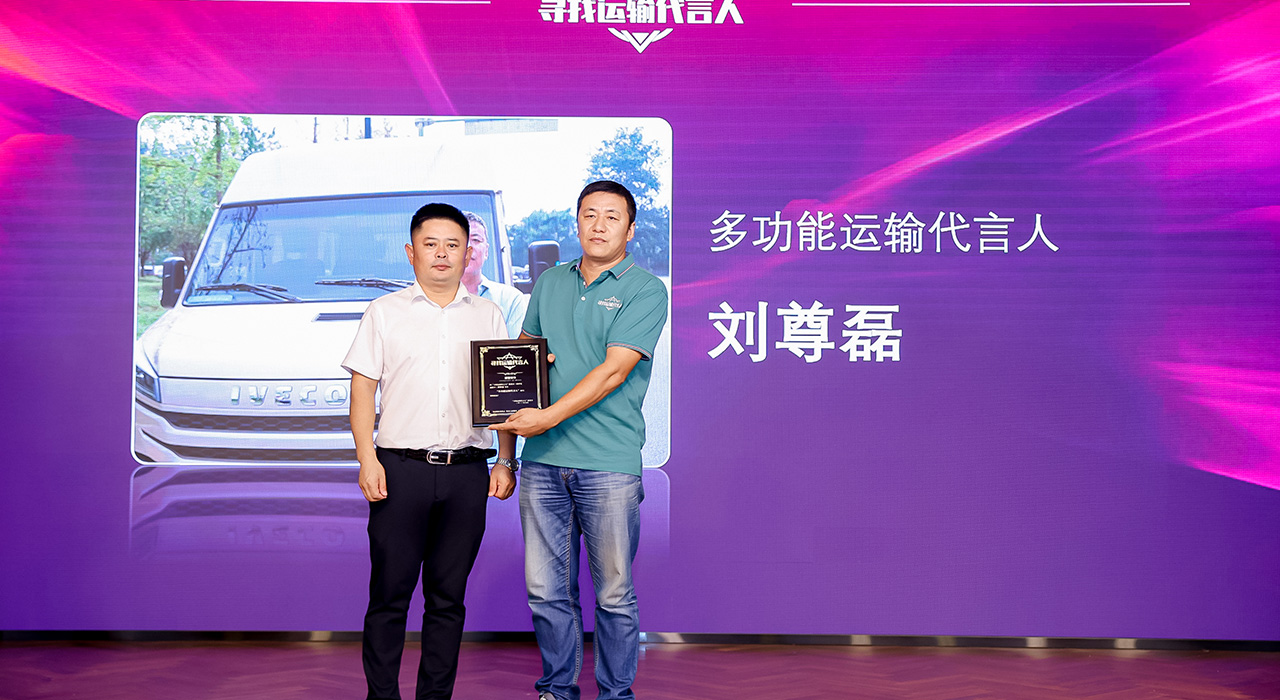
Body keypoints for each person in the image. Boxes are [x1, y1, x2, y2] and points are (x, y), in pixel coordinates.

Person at [491, 181, 668, 700]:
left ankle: (615, 695)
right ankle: (557, 689)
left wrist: (547, 417)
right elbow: (517, 369)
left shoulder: (645, 289)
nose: (599, 225)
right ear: (577, 223)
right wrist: (506, 456)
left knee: (613, 594)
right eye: (589, 214)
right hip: (542, 463)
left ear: (630, 230)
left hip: (608, 462)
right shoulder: (550, 283)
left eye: (612, 216)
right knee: (546, 591)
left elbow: (613, 372)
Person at [343, 202, 518, 700]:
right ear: (411, 251)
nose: (442, 253)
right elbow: (362, 391)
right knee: (389, 596)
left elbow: (502, 396)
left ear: (468, 254)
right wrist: (367, 459)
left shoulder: (488, 314)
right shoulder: (384, 312)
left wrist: (505, 459)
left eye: (453, 244)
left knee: (448, 599)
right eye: (431, 244)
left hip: (467, 473)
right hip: (400, 471)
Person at [462, 211, 529, 339]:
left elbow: (517, 350)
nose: (468, 247)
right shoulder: (426, 299)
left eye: (476, 240)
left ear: (486, 251)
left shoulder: (510, 300)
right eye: (460, 240)